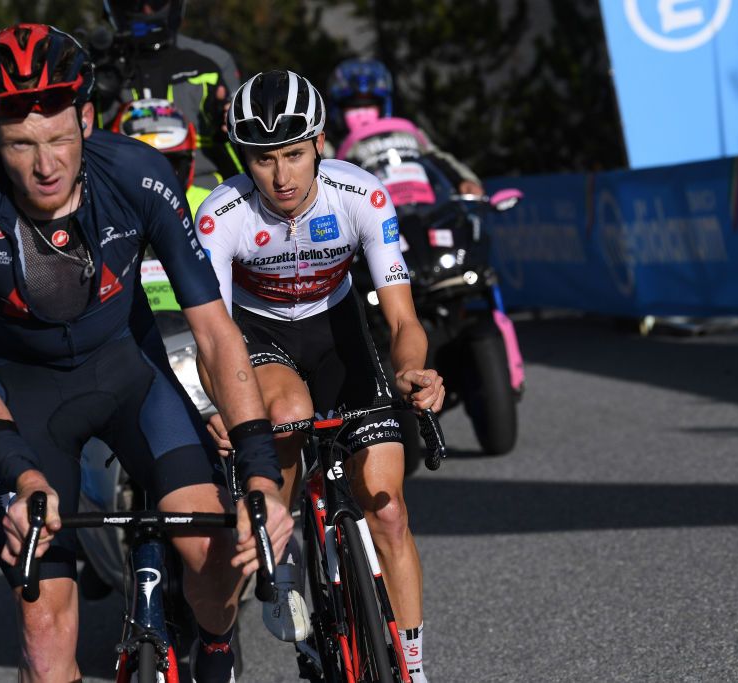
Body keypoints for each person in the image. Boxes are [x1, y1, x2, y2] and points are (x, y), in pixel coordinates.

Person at [0, 24, 292, 683]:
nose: (45, 164)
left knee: (212, 551)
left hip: (131, 374)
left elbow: (213, 332)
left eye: (60, 137)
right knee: (44, 628)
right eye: (20, 144)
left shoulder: (140, 175)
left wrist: (260, 466)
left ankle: (214, 650)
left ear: (87, 119)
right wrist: (21, 474)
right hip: (27, 402)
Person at [194, 69, 445, 683]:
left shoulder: (361, 195)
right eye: (262, 159)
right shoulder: (220, 216)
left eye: (294, 155)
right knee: (283, 417)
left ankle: (413, 669)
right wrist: (221, 403)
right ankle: (282, 553)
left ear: (320, 144)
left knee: (387, 509)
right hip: (259, 336)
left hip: (338, 333)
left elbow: (403, 320)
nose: (281, 177)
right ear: (242, 158)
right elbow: (211, 336)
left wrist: (412, 372)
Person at [90, 0, 243, 189]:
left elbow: (246, 156)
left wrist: (226, 121)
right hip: (123, 195)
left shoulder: (213, 62)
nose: (146, 10)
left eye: (157, 2)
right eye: (134, 4)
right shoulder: (94, 69)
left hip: (204, 198)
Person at [328, 57, 484, 197]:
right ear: (338, 110)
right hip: (373, 217)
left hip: (427, 208)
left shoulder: (406, 133)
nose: (362, 113)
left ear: (383, 106)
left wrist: (463, 180)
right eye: (353, 107)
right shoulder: (332, 148)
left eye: (370, 105)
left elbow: (437, 158)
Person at [112, 97, 212, 213]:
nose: (159, 179)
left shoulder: (210, 206)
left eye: (170, 165)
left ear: (188, 161)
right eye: (145, 166)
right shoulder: (109, 211)